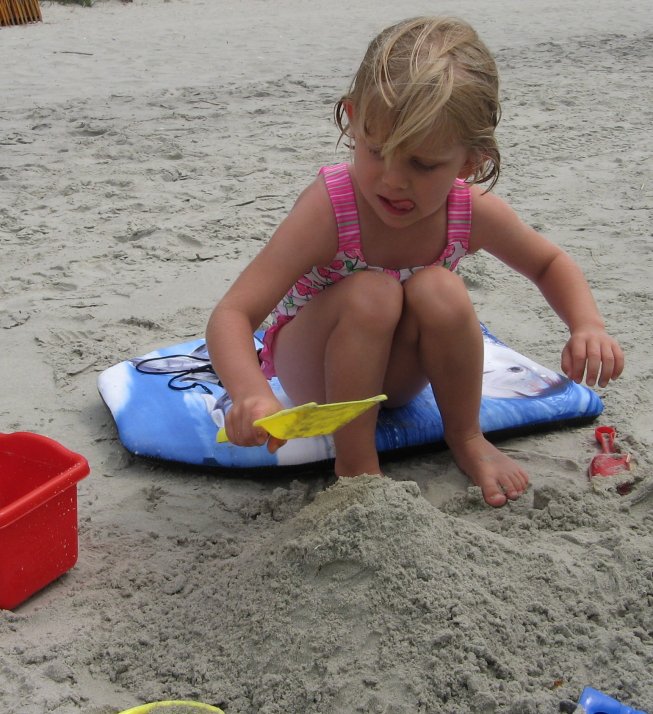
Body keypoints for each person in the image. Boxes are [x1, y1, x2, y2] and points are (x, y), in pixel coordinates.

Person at [206, 16, 624, 507]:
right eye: (377, 150)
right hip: (315, 376)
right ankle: (356, 463)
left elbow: (549, 262)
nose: (392, 180)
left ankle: (466, 438)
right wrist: (251, 392)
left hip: (398, 383)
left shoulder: (468, 211)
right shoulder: (331, 209)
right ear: (353, 118)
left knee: (440, 288)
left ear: (470, 162)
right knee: (373, 292)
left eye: (423, 164)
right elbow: (233, 313)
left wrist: (586, 325)